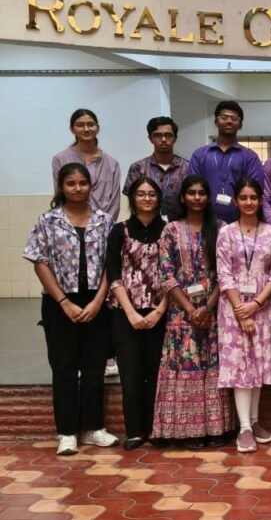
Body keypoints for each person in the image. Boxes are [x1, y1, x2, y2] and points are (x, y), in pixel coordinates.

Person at [25, 162, 116, 456]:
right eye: (71, 183)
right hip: (59, 303)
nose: (78, 188)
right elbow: (39, 262)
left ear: (91, 186)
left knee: (94, 368)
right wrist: (63, 302)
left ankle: (93, 428)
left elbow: (111, 264)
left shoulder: (104, 221)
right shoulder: (48, 221)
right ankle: (66, 433)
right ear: (61, 187)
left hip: (96, 302)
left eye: (83, 183)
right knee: (64, 368)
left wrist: (98, 300)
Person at [152, 176, 234, 447]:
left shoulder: (220, 228)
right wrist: (190, 309)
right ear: (183, 197)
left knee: (212, 366)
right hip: (180, 311)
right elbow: (166, 274)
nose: (197, 198)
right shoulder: (171, 230)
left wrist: (208, 307)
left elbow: (226, 272)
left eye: (201, 193)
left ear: (208, 197)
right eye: (192, 193)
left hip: (214, 308)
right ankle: (186, 431)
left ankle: (216, 428)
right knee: (185, 365)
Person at [216, 179, 271, 453]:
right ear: (236, 201)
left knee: (257, 364)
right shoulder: (226, 233)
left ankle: (254, 421)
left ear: (261, 200)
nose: (249, 202)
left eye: (254, 197)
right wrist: (241, 311)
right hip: (233, 309)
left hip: (262, 308)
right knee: (241, 366)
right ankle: (243, 428)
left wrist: (257, 303)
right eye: (244, 198)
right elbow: (224, 274)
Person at [106, 177, 168, 451]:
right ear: (132, 198)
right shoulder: (118, 231)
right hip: (125, 312)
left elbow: (174, 274)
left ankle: (155, 428)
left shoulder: (168, 231)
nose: (146, 198)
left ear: (159, 198)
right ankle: (134, 430)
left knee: (155, 373)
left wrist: (160, 310)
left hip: (160, 312)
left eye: (151, 194)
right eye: (141, 194)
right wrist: (130, 312)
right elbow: (113, 273)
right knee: (130, 374)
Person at [187, 101, 265, 223]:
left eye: (234, 118)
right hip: (205, 222)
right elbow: (192, 188)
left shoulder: (250, 157)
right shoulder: (200, 155)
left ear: (240, 125)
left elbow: (255, 190)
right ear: (216, 122)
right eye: (224, 117)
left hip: (240, 223)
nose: (229, 121)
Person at [52, 108, 122, 221]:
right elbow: (60, 195)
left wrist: (104, 225)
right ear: (72, 129)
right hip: (70, 224)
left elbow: (115, 203)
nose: (86, 129)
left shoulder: (112, 164)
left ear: (97, 128)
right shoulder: (60, 159)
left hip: (104, 225)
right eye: (80, 125)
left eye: (90, 124)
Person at [122, 116, 190, 221]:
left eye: (168, 135)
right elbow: (132, 199)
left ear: (175, 138)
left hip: (179, 224)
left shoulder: (187, 167)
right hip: (145, 225)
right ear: (150, 138)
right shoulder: (138, 168)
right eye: (158, 135)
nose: (163, 140)